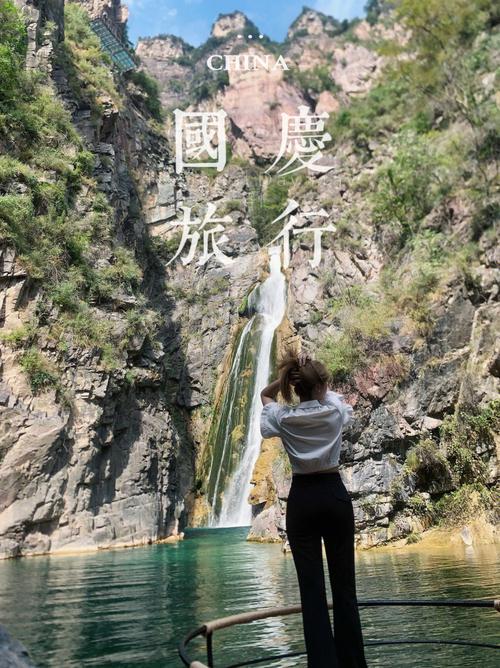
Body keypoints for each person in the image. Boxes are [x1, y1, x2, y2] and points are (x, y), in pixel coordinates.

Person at [259, 349, 368, 668]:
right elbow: (335, 396)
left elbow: (265, 396)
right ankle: (353, 663)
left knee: (311, 591)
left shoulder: (283, 416)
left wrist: (286, 381)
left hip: (302, 500)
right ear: (321, 386)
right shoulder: (334, 412)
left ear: (294, 388)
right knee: (345, 587)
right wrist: (309, 373)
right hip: (333, 495)